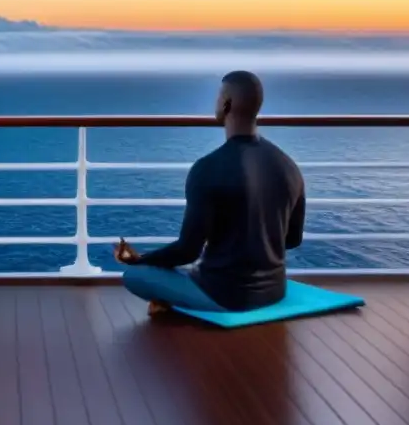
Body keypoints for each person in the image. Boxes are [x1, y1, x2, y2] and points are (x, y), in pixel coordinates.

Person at [115, 70, 305, 317]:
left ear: (226, 104)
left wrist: (140, 259)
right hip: (275, 293)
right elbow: (292, 240)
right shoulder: (288, 165)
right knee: (189, 272)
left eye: (218, 97)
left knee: (135, 275)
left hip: (225, 297)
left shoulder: (207, 168)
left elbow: (188, 251)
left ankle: (177, 302)